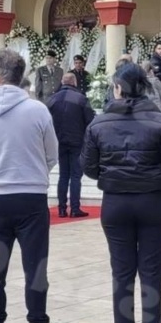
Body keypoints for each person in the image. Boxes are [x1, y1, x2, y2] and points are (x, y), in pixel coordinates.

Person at [83, 63, 161, 323]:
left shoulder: (99, 123)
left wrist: (112, 175)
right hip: (153, 200)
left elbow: (88, 167)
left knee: (122, 270)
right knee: (151, 270)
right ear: (143, 87)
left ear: (117, 87)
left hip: (116, 201)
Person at [0, 49, 67, 323]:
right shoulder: (37, 110)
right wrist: (33, 170)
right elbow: (52, 154)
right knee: (35, 267)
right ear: (20, 76)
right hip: (31, 196)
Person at [47, 71, 95, 217]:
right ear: (74, 82)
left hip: (59, 141)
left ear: (62, 82)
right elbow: (90, 120)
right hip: (77, 141)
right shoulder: (80, 99)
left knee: (63, 175)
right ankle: (75, 208)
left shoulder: (52, 99)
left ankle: (62, 208)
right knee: (75, 175)